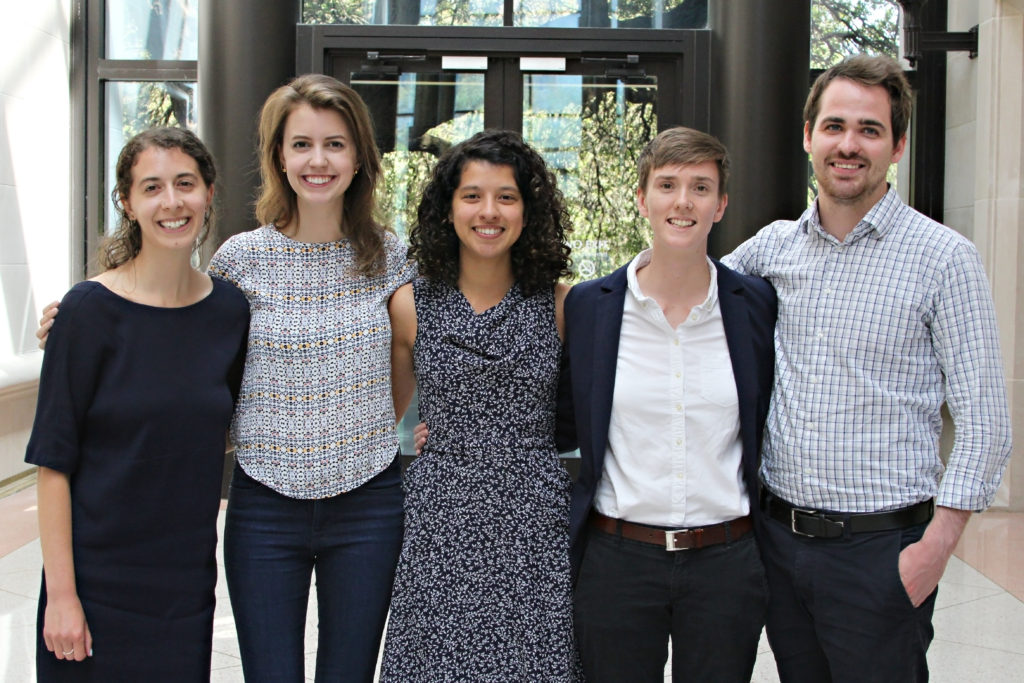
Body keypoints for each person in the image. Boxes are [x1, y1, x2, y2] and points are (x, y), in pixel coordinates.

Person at [724, 54, 1012, 682]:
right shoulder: (771, 248)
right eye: (833, 127)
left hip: (883, 552)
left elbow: (985, 420)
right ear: (808, 137)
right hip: (779, 541)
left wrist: (934, 551)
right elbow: (687, 292)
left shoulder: (945, 259)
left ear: (898, 145)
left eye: (869, 129)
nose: (848, 145)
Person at [206, 74, 414, 681]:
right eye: (301, 144)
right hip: (264, 504)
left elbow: (402, 368)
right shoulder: (240, 260)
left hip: (369, 503)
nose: (317, 160)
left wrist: (374, 426)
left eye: (335, 144)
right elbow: (181, 346)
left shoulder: (393, 256)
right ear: (278, 156)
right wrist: (78, 316)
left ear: (359, 159)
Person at [25, 127, 250, 681]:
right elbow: (54, 463)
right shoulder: (86, 312)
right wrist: (62, 598)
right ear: (127, 202)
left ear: (208, 193)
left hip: (184, 587)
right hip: (94, 586)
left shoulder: (229, 311)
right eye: (152, 187)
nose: (172, 202)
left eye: (184, 184)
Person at [556, 126, 777, 682]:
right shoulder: (590, 306)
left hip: (726, 560)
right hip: (617, 559)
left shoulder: (754, 305)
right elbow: (558, 420)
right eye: (668, 184)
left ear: (721, 204)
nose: (683, 201)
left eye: (700, 187)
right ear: (642, 199)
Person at [380, 130, 581, 680]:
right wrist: (412, 439)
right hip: (439, 519)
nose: (488, 211)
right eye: (471, 195)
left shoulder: (563, 305)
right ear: (447, 209)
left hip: (534, 521)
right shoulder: (409, 304)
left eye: (506, 197)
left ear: (528, 210)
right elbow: (386, 417)